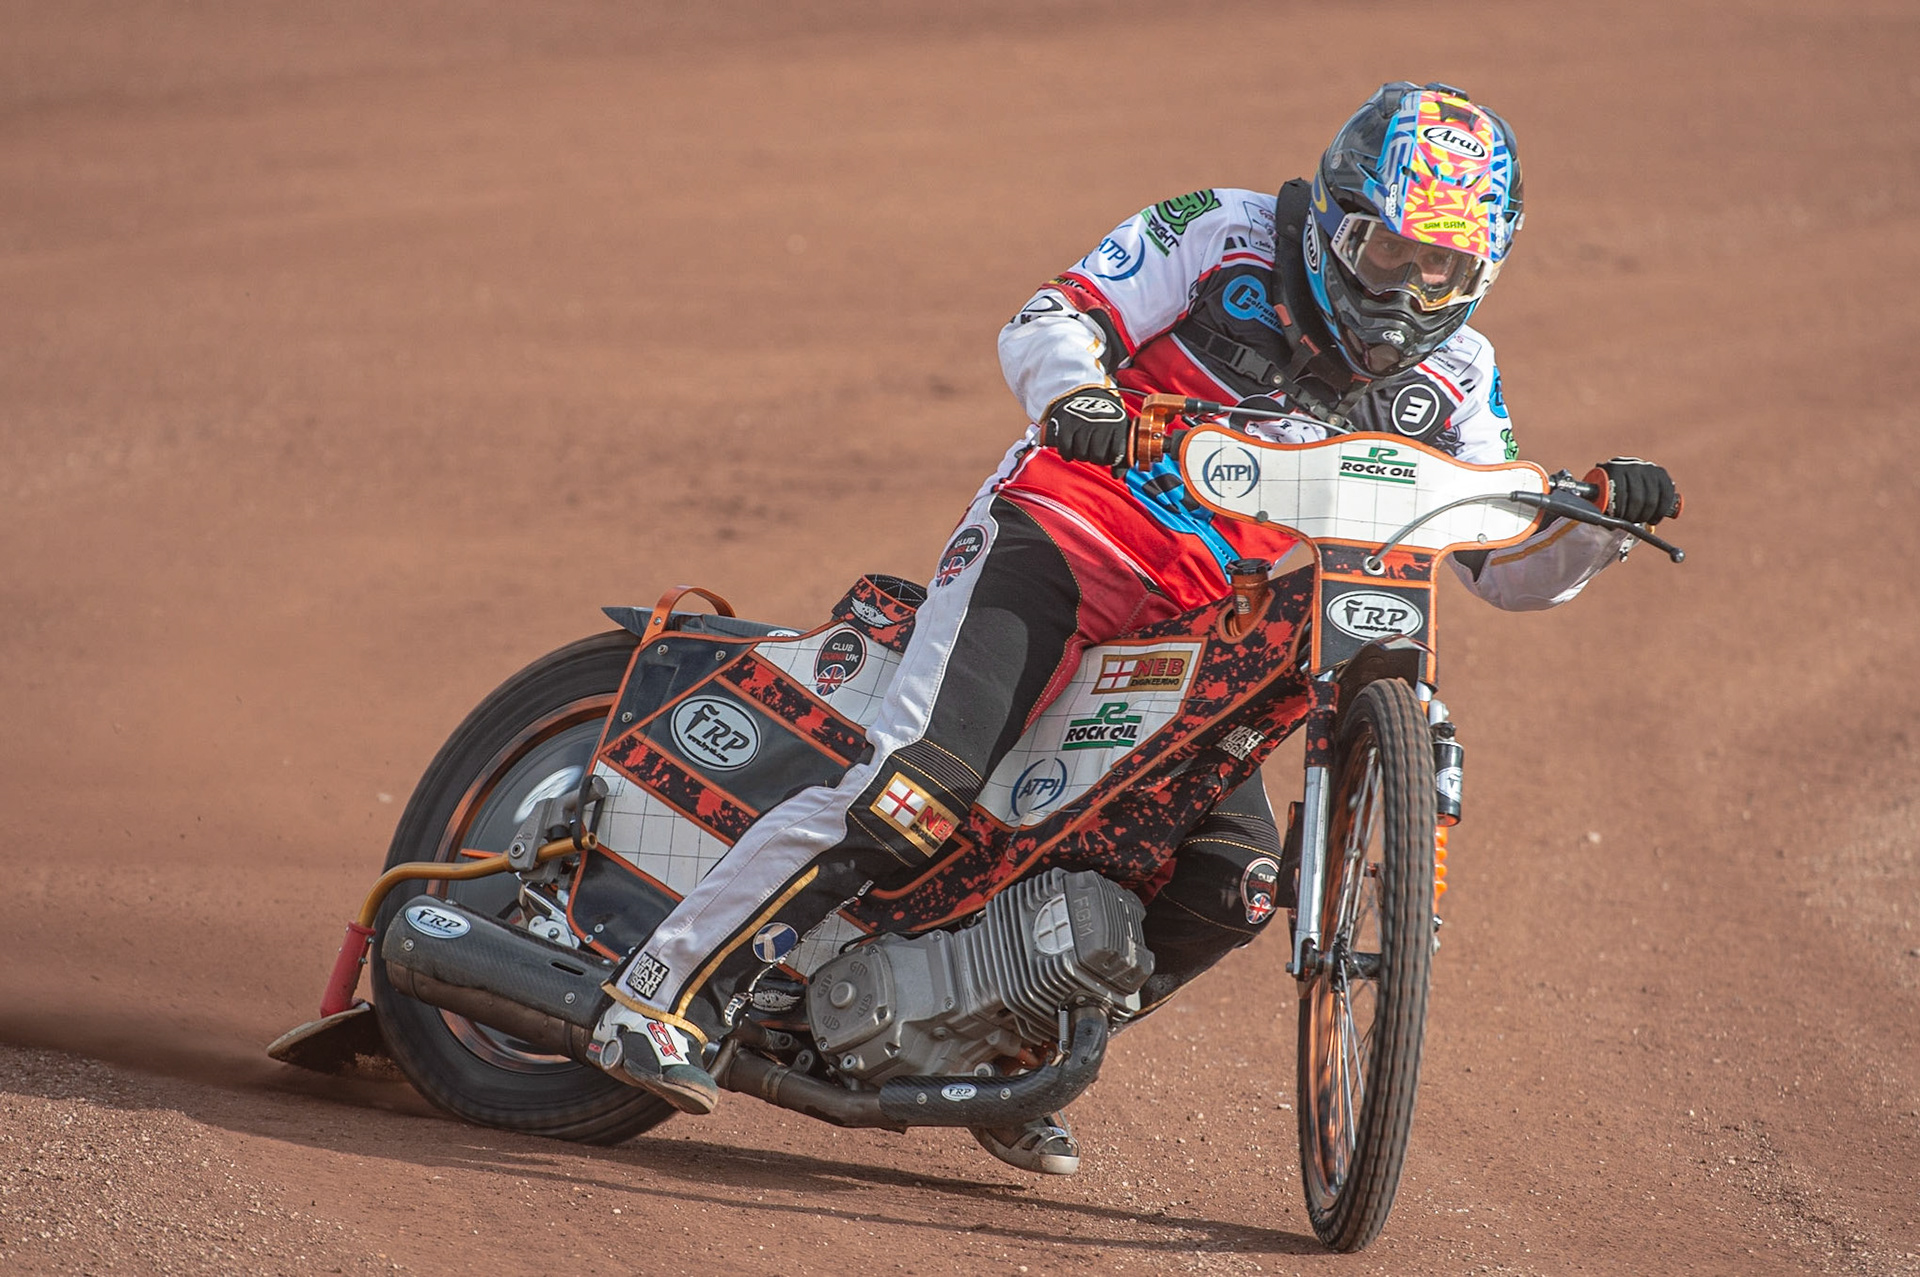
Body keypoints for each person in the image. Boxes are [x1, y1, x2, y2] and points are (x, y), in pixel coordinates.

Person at [586, 82, 1678, 1175]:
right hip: (1062, 540)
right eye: (1388, 252)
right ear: (1335, 220)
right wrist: (1077, 394)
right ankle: (660, 990)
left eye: (1441, 269)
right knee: (914, 791)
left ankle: (1001, 1045)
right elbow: (1051, 318)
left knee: (1235, 881)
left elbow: (1500, 556)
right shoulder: (1220, 232)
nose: (1406, 293)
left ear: (1485, 270)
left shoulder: (1460, 374)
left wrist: (1599, 528)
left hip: (1197, 624)